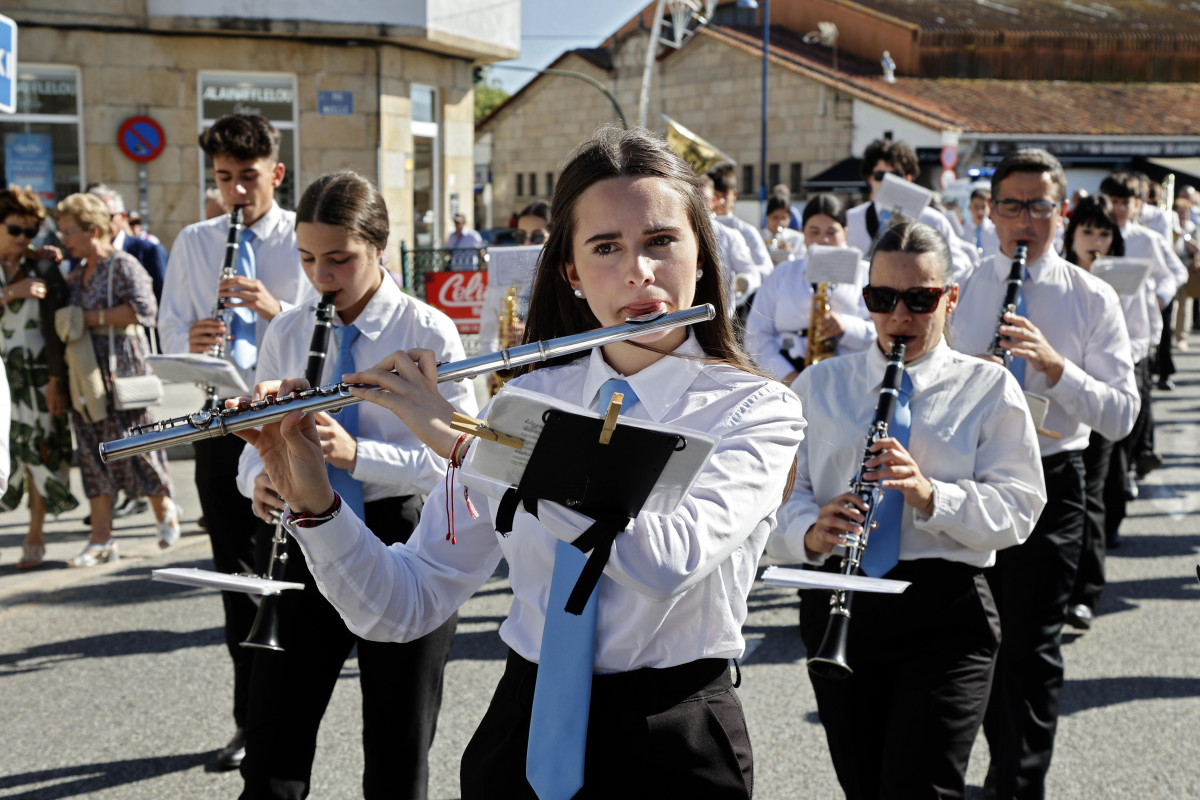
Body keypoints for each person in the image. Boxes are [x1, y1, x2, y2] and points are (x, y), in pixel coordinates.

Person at [235, 126, 805, 800]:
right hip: (521, 730)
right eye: (605, 248)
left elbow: (663, 560)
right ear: (570, 271)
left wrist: (471, 447)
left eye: (660, 241)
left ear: (701, 258)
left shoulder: (756, 409)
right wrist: (314, 502)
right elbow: (402, 605)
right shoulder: (527, 400)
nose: (638, 273)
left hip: (671, 739)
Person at [769, 221, 1045, 800]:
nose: (900, 317)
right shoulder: (821, 385)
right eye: (882, 299)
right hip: (840, 598)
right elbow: (779, 499)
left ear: (951, 298)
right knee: (865, 786)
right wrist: (811, 532)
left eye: (921, 300)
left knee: (921, 787)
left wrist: (929, 495)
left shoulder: (989, 388)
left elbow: (1020, 508)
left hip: (947, 607)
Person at [234, 171, 477, 799]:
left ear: (381, 248)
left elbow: (458, 462)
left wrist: (356, 454)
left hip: (404, 539)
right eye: (309, 259)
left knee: (398, 753)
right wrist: (259, 478)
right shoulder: (289, 329)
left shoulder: (428, 332)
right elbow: (257, 438)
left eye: (341, 259)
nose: (323, 277)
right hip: (307, 541)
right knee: (272, 751)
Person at [948, 148, 1139, 800]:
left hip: (1053, 480)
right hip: (971, 482)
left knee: (1030, 651)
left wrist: (1056, 368)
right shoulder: (966, 286)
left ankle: (1017, 786)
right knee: (976, 645)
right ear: (992, 213)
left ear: (1060, 212)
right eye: (1011, 206)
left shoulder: (1092, 297)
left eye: (1038, 206)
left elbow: (1120, 416)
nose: (1024, 220)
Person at [158, 113, 316, 771]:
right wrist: (187, 342)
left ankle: (283, 722)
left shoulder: (300, 240)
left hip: (281, 422)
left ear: (275, 174)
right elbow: (164, 338)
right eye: (223, 178)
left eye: (247, 178)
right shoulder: (195, 241)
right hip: (220, 423)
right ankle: (247, 722)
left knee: (283, 578)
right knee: (235, 579)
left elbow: (321, 334)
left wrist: (272, 309)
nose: (235, 191)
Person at [57, 193, 180, 567]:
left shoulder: (123, 265)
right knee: (93, 455)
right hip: (87, 377)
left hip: (124, 371)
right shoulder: (75, 273)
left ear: (93, 230)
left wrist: (91, 319)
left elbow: (146, 311)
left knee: (139, 447)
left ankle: (165, 510)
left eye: (69, 231)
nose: (64, 239)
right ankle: (102, 539)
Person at [1059, 196, 1141, 629]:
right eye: (1087, 231)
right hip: (1060, 405)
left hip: (1104, 396)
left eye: (1105, 233)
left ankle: (1086, 591)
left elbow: (1146, 332)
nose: (1096, 241)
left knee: (1091, 492)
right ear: (1071, 235)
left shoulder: (1124, 279)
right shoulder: (1055, 283)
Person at [0, 186, 79, 570]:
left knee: (35, 452)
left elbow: (56, 334)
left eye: (31, 232)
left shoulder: (45, 267)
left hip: (35, 382)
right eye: (16, 229)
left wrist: (56, 380)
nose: (23, 239)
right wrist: (9, 292)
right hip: (1, 381)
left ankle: (35, 533)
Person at [745, 194, 873, 383]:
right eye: (814, 232)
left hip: (851, 378)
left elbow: (884, 330)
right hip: (789, 378)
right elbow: (756, 333)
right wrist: (787, 376)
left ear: (845, 232)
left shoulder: (866, 273)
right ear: (803, 233)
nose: (823, 240)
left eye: (831, 232)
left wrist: (847, 327)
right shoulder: (782, 273)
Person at [846, 137, 978, 282]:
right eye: (880, 175)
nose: (887, 182)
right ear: (869, 178)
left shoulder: (933, 220)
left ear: (908, 177)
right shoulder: (853, 217)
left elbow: (959, 268)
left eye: (896, 176)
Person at [87, 184, 169, 302]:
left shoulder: (149, 252)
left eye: (107, 217)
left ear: (123, 216)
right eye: (94, 218)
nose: (101, 224)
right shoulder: (82, 256)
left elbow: (164, 302)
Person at [761, 194, 804, 264]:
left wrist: (789, 254)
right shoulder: (758, 236)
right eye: (775, 217)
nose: (780, 222)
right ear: (767, 216)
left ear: (790, 218)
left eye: (784, 218)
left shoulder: (797, 238)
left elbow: (800, 264)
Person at [961, 186, 1000, 259]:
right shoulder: (963, 232)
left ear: (990, 208)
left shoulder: (996, 231)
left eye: (983, 207)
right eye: (976, 206)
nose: (980, 212)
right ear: (970, 207)